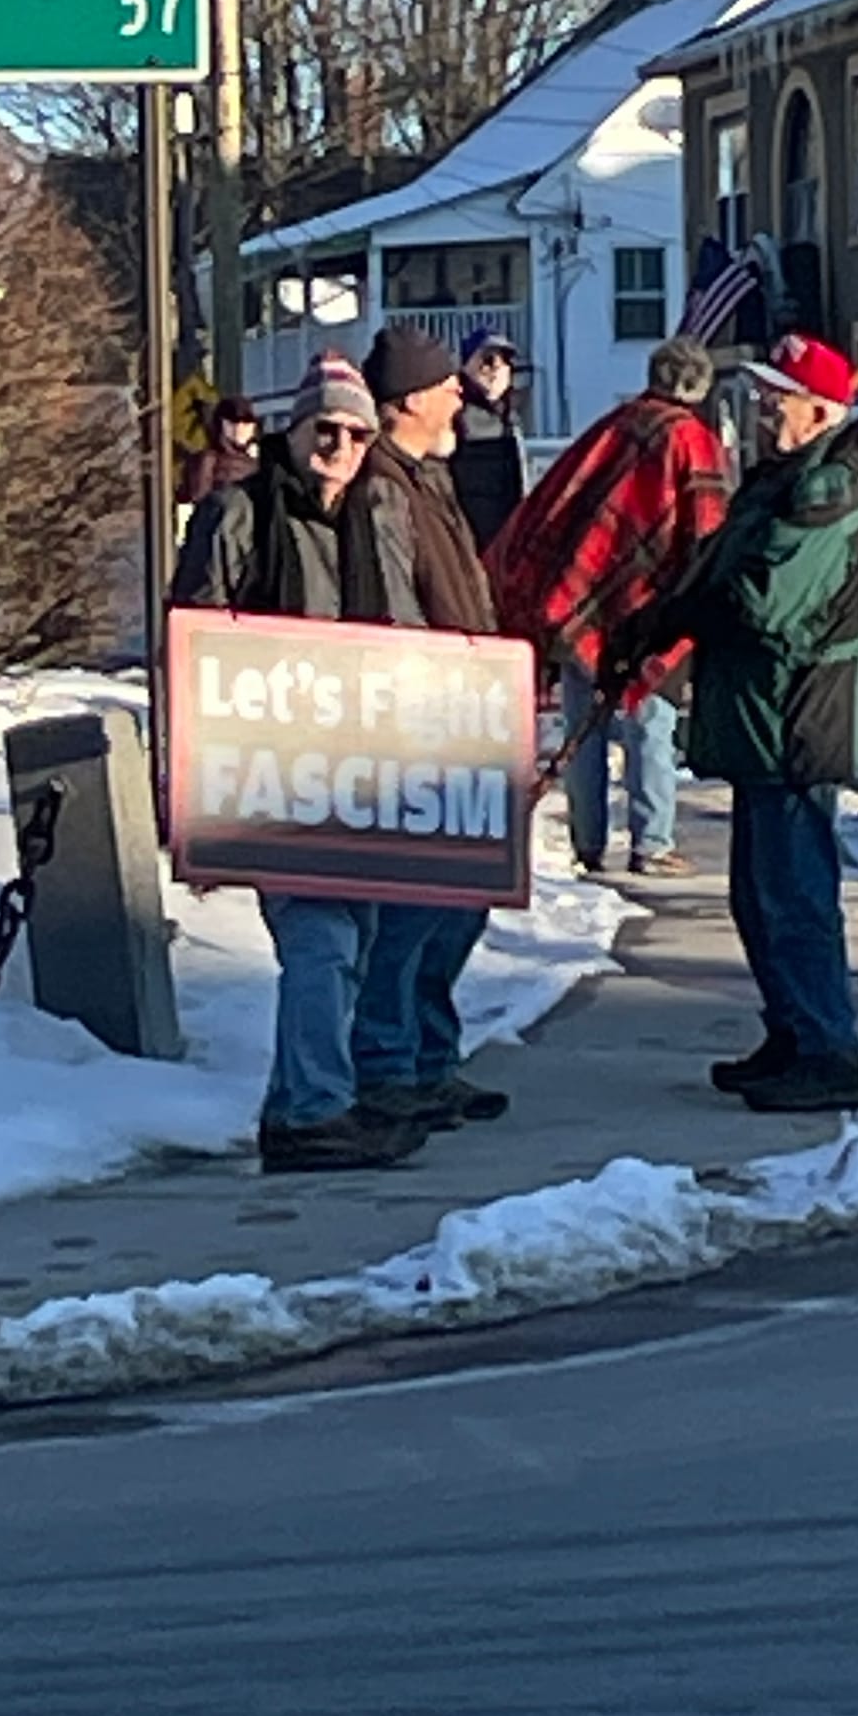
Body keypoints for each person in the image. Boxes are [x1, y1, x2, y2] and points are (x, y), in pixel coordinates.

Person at [607, 334, 858, 1115]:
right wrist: (660, 619)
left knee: (793, 895)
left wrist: (692, 609)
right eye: (763, 394)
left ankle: (829, 1047)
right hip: (762, 718)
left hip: (800, 720)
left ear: (822, 409)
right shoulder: (782, 482)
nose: (764, 409)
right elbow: (723, 568)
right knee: (757, 895)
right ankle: (793, 1032)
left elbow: (765, 603)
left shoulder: (830, 491)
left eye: (779, 397)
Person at [172, 357, 426, 1174]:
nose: (340, 445)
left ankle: (303, 1103)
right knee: (317, 936)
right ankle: (316, 1109)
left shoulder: (381, 510)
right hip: (277, 764)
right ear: (297, 427)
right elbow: (196, 633)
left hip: (365, 761)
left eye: (357, 433)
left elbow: (406, 626)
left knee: (360, 929)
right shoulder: (240, 509)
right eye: (326, 428)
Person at [340, 323, 510, 1132]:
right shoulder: (382, 487)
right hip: (420, 718)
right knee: (411, 908)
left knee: (460, 901)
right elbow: (391, 611)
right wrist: (430, 696)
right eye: (448, 388)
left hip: (464, 707)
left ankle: (432, 1057)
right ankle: (387, 1063)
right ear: (408, 399)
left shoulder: (427, 476)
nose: (461, 399)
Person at [486, 336, 729, 878]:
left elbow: (560, 504)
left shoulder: (614, 426)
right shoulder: (693, 440)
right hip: (651, 609)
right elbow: (707, 535)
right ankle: (652, 842)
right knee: (651, 721)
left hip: (583, 599)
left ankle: (588, 843)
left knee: (583, 719)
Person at [449, 327, 527, 553]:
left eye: (504, 360)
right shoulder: (453, 414)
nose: (495, 367)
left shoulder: (510, 418)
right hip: (470, 543)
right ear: (466, 365)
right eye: (487, 358)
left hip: (506, 540)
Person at [181, 395, 261, 505]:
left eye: (247, 422)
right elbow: (202, 505)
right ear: (222, 424)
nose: (240, 428)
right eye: (233, 422)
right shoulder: (208, 460)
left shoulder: (259, 462)